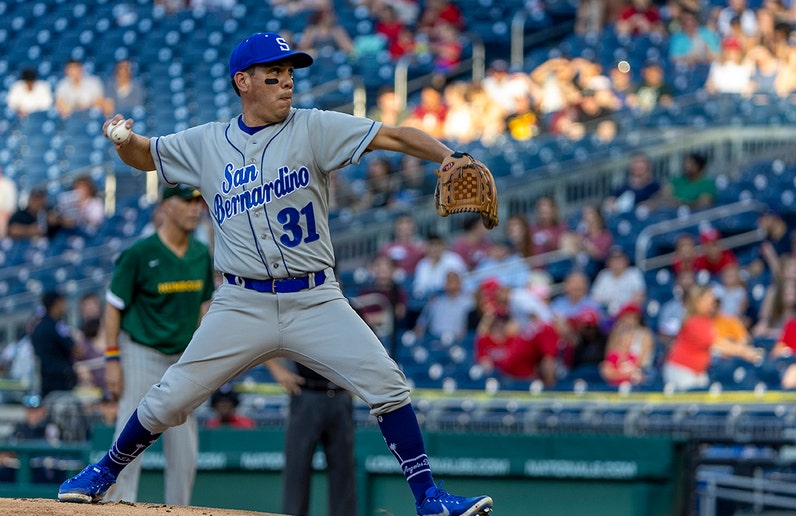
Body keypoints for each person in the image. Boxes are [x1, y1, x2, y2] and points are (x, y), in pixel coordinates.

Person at [58, 32, 493, 516]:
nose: (287, 82)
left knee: (387, 384)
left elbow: (390, 135)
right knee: (170, 397)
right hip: (241, 303)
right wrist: (126, 140)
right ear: (243, 82)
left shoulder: (314, 127)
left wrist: (447, 155)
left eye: (289, 73)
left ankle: (429, 496)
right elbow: (148, 155)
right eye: (274, 74)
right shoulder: (206, 143)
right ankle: (103, 473)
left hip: (316, 299)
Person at [100, 184, 213, 505]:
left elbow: (205, 308)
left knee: (184, 443)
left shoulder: (200, 254)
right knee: (128, 431)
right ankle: (117, 506)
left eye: (198, 202)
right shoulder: (140, 252)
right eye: (187, 201)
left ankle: (179, 509)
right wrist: (111, 359)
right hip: (141, 351)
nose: (195, 208)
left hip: (182, 358)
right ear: (166, 207)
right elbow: (113, 306)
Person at [266, 360, 357, 516]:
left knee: (343, 475)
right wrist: (276, 369)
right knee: (297, 471)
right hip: (305, 392)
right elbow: (263, 337)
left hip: (340, 395)